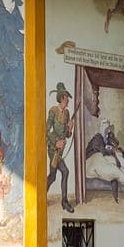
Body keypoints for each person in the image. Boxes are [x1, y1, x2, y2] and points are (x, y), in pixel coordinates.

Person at [46, 82, 73, 212]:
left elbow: (67, 135)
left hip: (60, 151)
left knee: (54, 176)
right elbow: (46, 130)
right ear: (62, 98)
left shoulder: (67, 113)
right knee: (63, 172)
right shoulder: (53, 111)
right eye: (67, 97)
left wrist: (70, 129)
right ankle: (64, 201)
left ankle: (43, 195)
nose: (68, 100)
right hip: (53, 149)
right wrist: (56, 141)